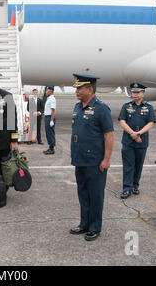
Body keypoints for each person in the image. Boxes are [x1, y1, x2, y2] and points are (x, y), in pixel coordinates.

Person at [69, 74, 114, 242]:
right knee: (83, 194)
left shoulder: (101, 108)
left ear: (90, 89)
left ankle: (95, 227)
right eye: (76, 88)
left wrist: (106, 159)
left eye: (80, 88)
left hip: (95, 161)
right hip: (80, 160)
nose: (77, 91)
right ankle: (84, 224)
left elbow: (109, 135)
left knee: (95, 195)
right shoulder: (77, 107)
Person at [119, 83, 156, 199]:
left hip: (142, 141)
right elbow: (122, 121)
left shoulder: (148, 107)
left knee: (138, 165)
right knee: (128, 165)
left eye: (137, 92)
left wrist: (139, 134)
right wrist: (133, 134)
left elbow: (151, 123)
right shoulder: (126, 106)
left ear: (143, 93)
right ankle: (126, 188)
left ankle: (135, 186)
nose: (134, 94)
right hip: (128, 141)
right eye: (133, 92)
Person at [43, 86, 56, 155]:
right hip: (47, 117)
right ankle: (50, 147)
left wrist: (51, 120)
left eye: (47, 90)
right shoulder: (49, 98)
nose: (46, 91)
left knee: (50, 133)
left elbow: (53, 110)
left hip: (50, 117)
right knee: (48, 133)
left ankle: (52, 149)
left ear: (51, 91)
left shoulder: (52, 99)